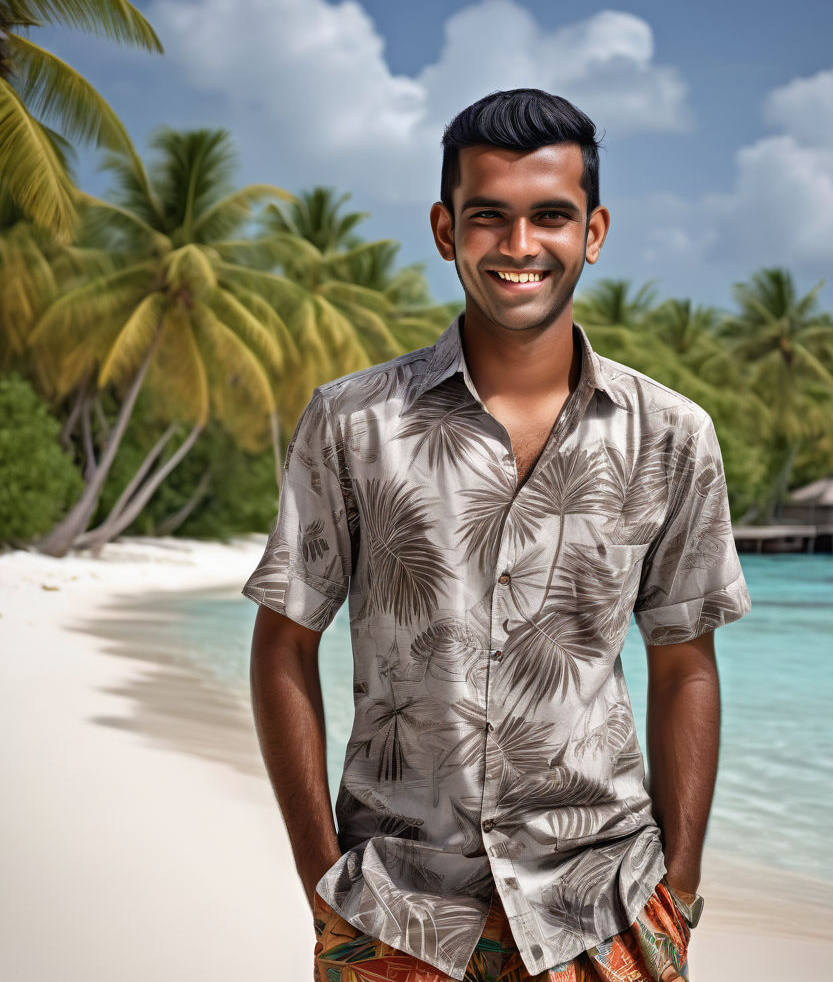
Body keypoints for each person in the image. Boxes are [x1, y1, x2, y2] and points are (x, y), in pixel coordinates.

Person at [242, 88, 752, 982]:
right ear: (446, 230)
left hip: (611, 908)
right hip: (396, 911)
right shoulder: (353, 423)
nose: (520, 248)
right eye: (490, 218)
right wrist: (319, 876)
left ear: (593, 232)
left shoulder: (671, 435)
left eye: (551, 216)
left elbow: (685, 661)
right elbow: (285, 640)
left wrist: (682, 888)